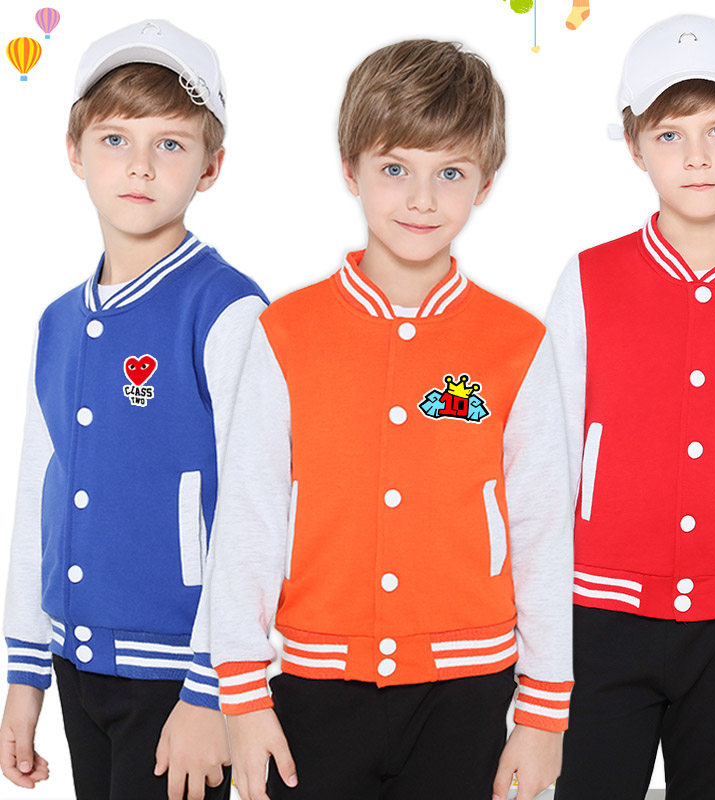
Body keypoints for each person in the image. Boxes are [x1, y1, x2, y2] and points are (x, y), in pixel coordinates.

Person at [192, 38, 574, 800]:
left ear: (486, 181)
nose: (422, 199)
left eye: (450, 173)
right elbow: (248, 520)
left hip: (467, 687)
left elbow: (541, 533)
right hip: (313, 683)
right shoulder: (286, 334)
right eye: (395, 169)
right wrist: (242, 694)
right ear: (351, 169)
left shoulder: (517, 343)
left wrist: (544, 712)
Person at [0, 19, 268, 800]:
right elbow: (37, 495)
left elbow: (258, 509)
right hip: (75, 665)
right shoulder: (58, 321)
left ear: (211, 165)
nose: (140, 166)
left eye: (170, 144)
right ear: (75, 151)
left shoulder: (228, 310)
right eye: (115, 139)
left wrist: (212, 688)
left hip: (180, 678)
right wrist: (24, 671)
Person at [547, 14, 715, 799]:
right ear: (634, 147)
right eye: (669, 134)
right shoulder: (587, 281)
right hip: (598, 619)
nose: (696, 156)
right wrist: (537, 640)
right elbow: (545, 464)